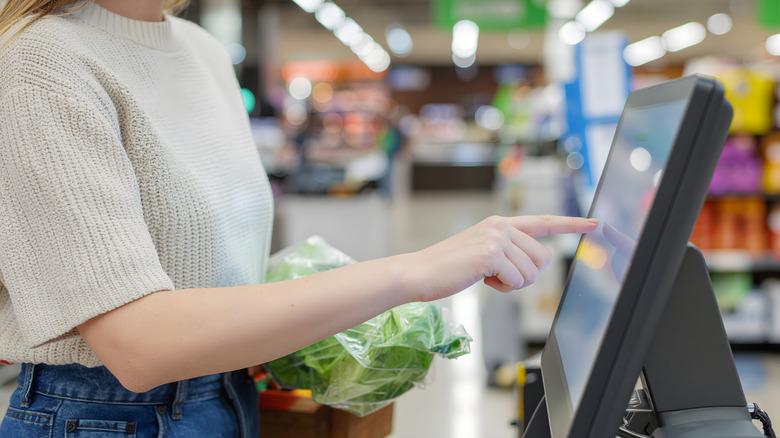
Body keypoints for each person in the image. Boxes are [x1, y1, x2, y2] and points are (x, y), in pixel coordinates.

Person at [0, 0, 599, 436]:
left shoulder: (201, 51)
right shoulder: (39, 62)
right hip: (104, 417)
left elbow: (212, 263)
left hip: (231, 394)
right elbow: (139, 345)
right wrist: (410, 272)